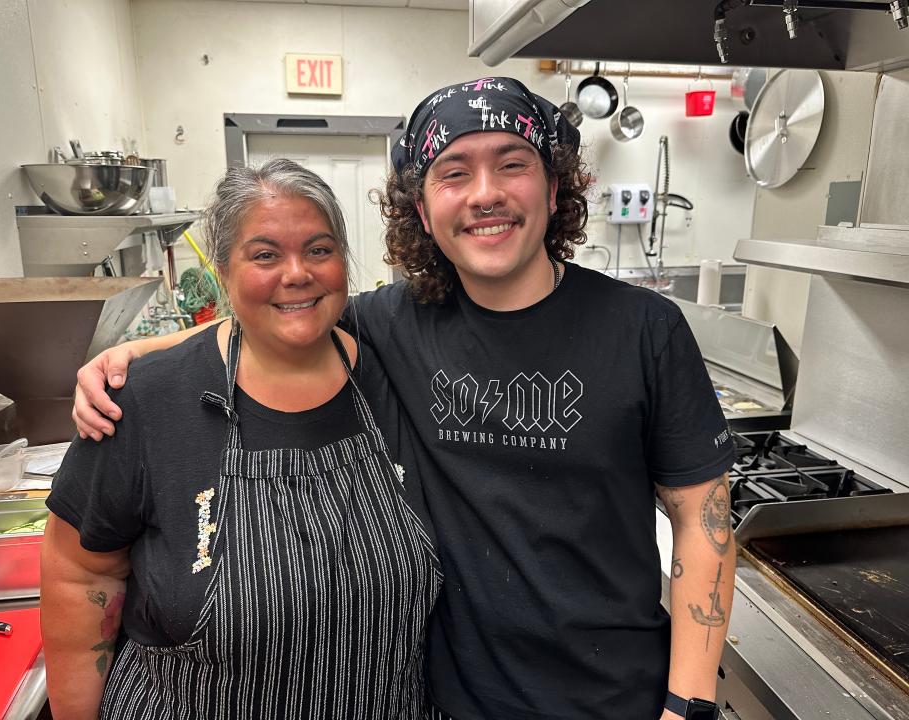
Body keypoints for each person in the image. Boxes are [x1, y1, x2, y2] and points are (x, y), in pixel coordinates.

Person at [73, 77, 736, 720]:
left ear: (554, 185)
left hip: (615, 698)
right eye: (454, 173)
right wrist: (133, 357)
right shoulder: (394, 322)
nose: (485, 195)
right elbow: (284, 312)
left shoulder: (644, 330)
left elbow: (703, 525)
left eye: (512, 164)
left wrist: (689, 702)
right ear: (422, 208)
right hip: (452, 700)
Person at [42, 159, 441, 719]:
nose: (297, 272)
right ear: (225, 273)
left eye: (320, 250)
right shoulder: (145, 401)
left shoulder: (395, 376)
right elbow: (79, 574)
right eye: (265, 255)